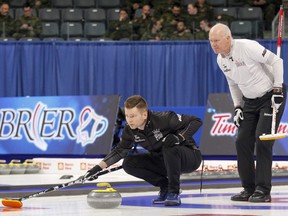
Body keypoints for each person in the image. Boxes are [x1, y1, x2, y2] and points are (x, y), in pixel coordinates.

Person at [209, 23, 286, 202]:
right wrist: (237, 107)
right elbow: (233, 84)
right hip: (249, 102)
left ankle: (263, 190)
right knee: (242, 141)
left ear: (228, 38)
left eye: (217, 40)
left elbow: (277, 61)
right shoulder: (221, 60)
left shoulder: (247, 46)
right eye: (211, 41)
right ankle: (248, 188)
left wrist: (277, 89)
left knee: (262, 140)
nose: (214, 44)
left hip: (270, 96)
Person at [83, 95, 203, 206]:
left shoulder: (164, 118)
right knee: (129, 163)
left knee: (168, 146)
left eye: (133, 116)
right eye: (127, 116)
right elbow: (120, 151)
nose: (129, 120)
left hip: (189, 157)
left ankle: (173, 192)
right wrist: (96, 169)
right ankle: (165, 186)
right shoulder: (129, 130)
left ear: (144, 115)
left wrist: (179, 137)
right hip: (164, 160)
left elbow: (196, 121)